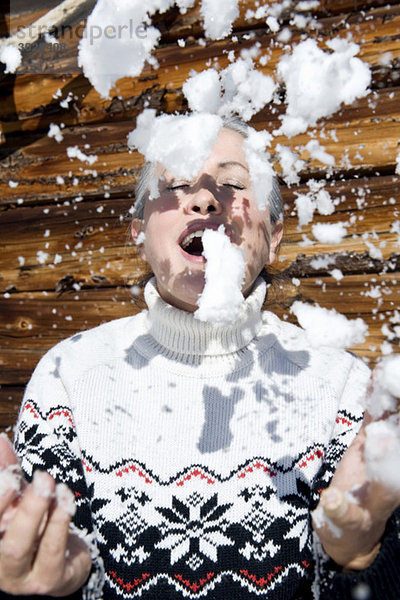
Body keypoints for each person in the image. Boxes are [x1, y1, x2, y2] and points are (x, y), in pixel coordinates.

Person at [0, 118, 399, 600]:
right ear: (139, 233)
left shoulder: (340, 386)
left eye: (233, 183)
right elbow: (34, 555)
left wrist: (360, 557)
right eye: (176, 185)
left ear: (273, 238)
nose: (207, 199)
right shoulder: (70, 374)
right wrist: (40, 583)